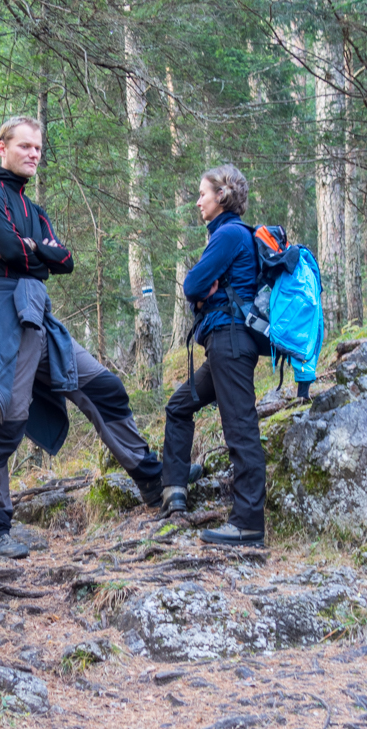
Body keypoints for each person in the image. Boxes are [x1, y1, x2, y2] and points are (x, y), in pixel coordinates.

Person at [0, 115, 163, 559]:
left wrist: (32, 250)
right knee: (2, 420)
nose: (33, 154)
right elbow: (13, 252)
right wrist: (35, 252)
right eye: (25, 146)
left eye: (38, 148)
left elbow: (65, 259)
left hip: (36, 311)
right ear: (2, 147)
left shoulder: (34, 211)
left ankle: (152, 478)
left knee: (102, 386)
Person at [160, 164, 266, 545]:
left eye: (202, 193)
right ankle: (173, 491)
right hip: (224, 345)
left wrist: (203, 290)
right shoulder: (227, 235)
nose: (197, 200)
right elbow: (199, 287)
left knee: (240, 429)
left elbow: (192, 284)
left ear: (221, 195)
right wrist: (204, 289)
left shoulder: (230, 234)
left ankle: (248, 523)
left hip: (231, 343)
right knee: (179, 406)